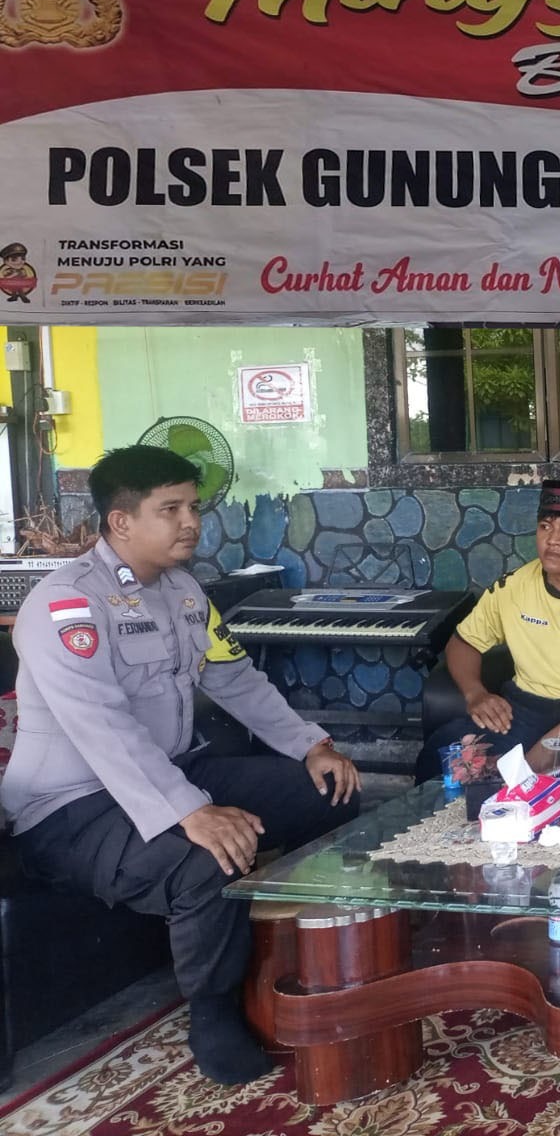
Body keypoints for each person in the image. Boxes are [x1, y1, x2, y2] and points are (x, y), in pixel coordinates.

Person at [0, 446, 362, 1085]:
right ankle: (213, 1013)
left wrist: (311, 745)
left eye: (193, 507)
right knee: (207, 860)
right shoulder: (65, 606)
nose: (191, 522)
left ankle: (301, 948)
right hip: (70, 806)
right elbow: (101, 727)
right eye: (170, 509)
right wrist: (191, 811)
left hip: (170, 771)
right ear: (121, 522)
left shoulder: (185, 592)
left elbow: (235, 679)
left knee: (329, 790)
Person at [416, 480, 560, 781]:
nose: (553, 540)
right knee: (445, 750)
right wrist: (475, 694)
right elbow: (462, 643)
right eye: (545, 527)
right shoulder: (512, 586)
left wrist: (551, 743)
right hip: (527, 708)